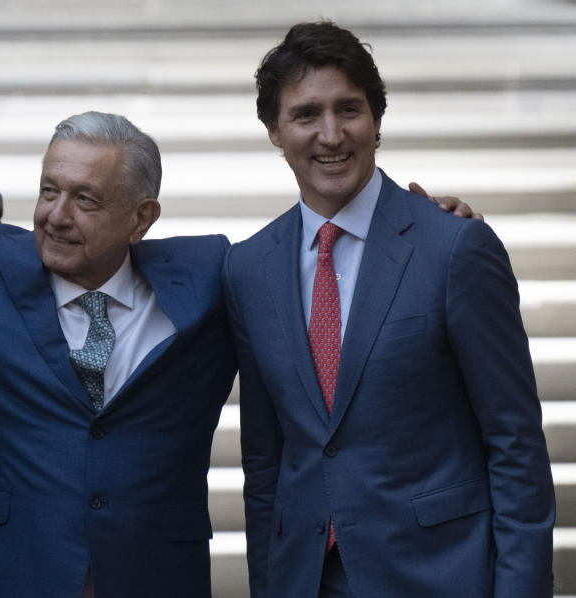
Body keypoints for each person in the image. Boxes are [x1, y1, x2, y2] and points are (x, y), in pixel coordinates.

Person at [0, 108, 475, 597]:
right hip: (4, 572)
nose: (53, 216)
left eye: (84, 199)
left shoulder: (216, 279)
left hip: (154, 572)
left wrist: (422, 229)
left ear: (142, 217)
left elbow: (320, 275)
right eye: (47, 190)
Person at [222, 21, 555, 597]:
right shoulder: (248, 268)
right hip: (306, 577)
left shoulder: (455, 247)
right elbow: (266, 461)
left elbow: (516, 445)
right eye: (305, 115)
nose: (331, 134)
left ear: (377, 119)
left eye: (348, 109)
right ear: (275, 131)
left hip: (438, 571)